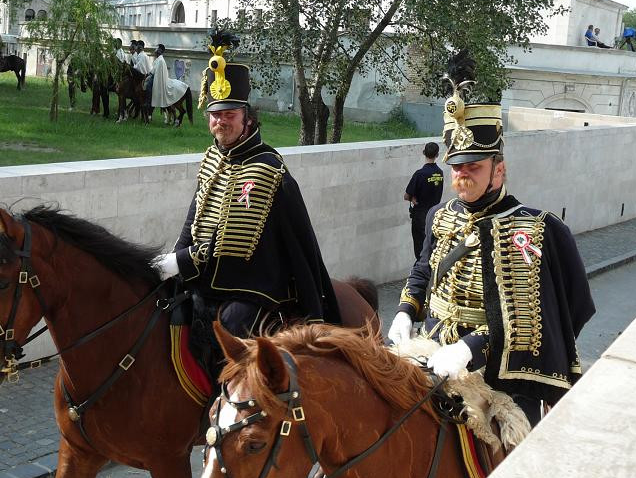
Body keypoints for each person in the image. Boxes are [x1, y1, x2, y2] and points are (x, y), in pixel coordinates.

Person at [387, 50, 595, 427]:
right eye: (458, 168)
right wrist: (405, 310)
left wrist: (471, 348)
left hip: (495, 366)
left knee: (511, 442)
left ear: (498, 171)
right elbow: (423, 271)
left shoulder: (536, 230)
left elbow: (542, 315)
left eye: (474, 167)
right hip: (430, 346)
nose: (462, 176)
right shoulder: (439, 216)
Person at [151, 30, 340, 381]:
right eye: (214, 114)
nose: (220, 121)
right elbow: (195, 217)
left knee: (232, 326)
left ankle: (226, 408)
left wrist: (180, 262)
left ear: (247, 118)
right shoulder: (213, 157)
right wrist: (173, 260)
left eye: (229, 114)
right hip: (207, 275)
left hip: (254, 284)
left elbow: (230, 241)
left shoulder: (267, 168)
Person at [404, 142, 444, 261]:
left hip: (420, 216)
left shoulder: (420, 174)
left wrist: (412, 198)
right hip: (435, 215)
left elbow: (406, 195)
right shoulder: (440, 173)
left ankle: (422, 276)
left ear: (423, 153)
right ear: (437, 155)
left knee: (420, 250)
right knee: (432, 249)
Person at [150, 43, 189, 115]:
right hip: (155, 77)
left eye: (156, 49)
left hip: (159, 81)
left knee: (149, 87)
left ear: (159, 51)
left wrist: (150, 74)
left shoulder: (160, 60)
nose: (154, 51)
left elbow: (156, 72)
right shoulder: (158, 59)